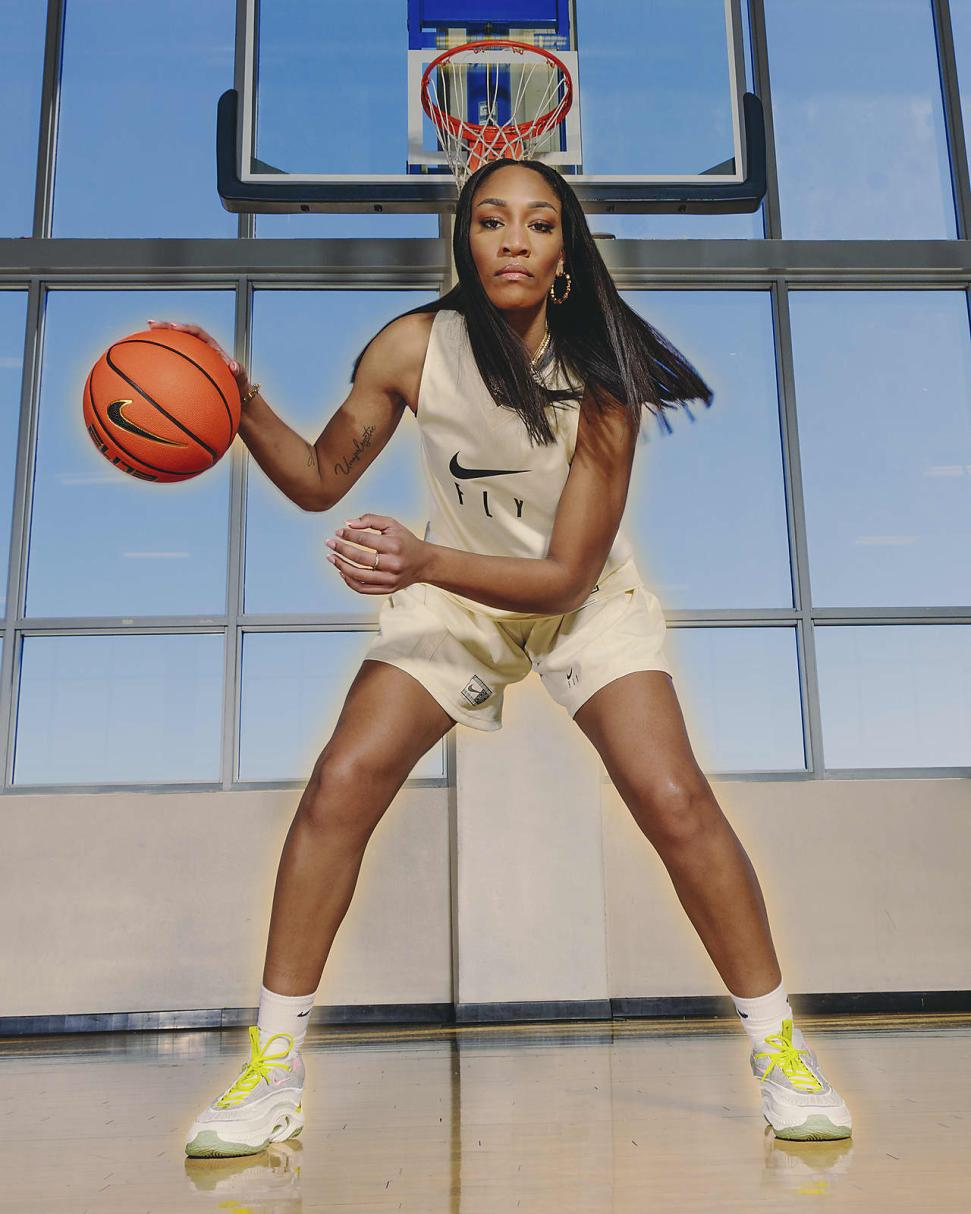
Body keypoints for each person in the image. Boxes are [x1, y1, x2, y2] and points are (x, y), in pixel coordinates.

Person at [154, 156, 851, 1158]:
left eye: (537, 223)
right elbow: (315, 479)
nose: (514, 240)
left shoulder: (603, 373)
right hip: (457, 595)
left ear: (564, 250)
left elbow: (565, 576)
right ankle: (272, 1068)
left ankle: (780, 1050)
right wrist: (236, 400)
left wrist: (421, 557)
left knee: (672, 797)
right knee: (341, 781)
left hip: (579, 601)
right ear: (466, 239)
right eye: (491, 220)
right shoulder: (411, 346)